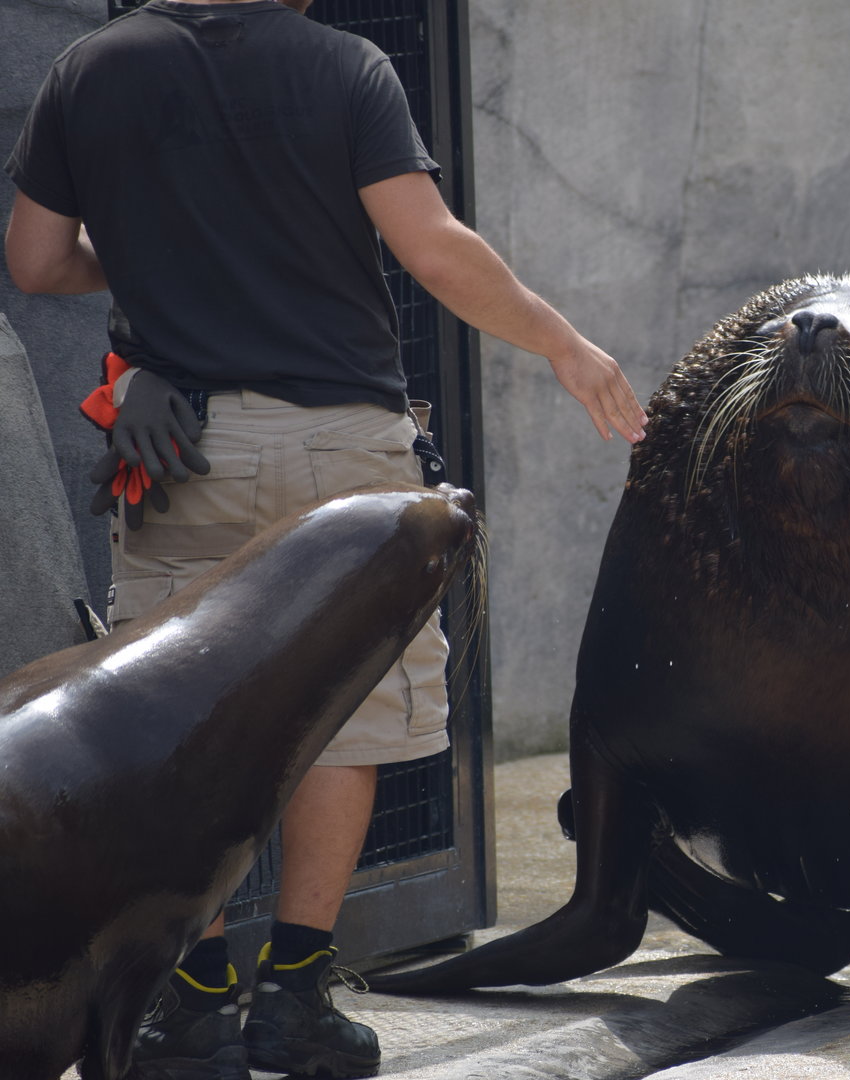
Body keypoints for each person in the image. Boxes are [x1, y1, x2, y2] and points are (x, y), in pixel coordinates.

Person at [4, 0, 646, 1077]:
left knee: (177, 714)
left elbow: (34, 261)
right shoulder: (346, 67)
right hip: (338, 453)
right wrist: (564, 344)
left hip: (173, 447)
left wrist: (172, 262)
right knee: (343, 702)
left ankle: (192, 995)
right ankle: (295, 992)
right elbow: (431, 248)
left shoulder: (88, 70)